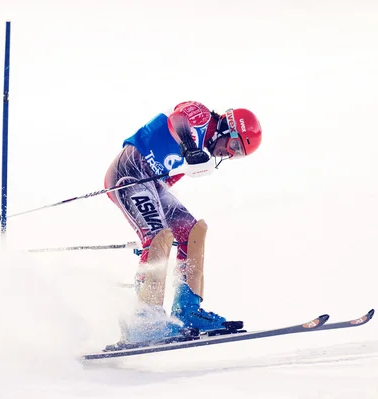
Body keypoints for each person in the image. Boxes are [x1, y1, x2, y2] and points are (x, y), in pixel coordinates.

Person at [104, 100, 262, 345]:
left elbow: (166, 183)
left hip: (152, 184)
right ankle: (144, 320)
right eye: (233, 145)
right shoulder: (201, 115)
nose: (228, 154)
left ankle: (187, 311)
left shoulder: (199, 156)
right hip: (130, 173)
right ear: (226, 128)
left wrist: (190, 156)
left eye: (237, 154)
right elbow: (178, 120)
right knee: (159, 236)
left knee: (193, 232)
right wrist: (189, 148)